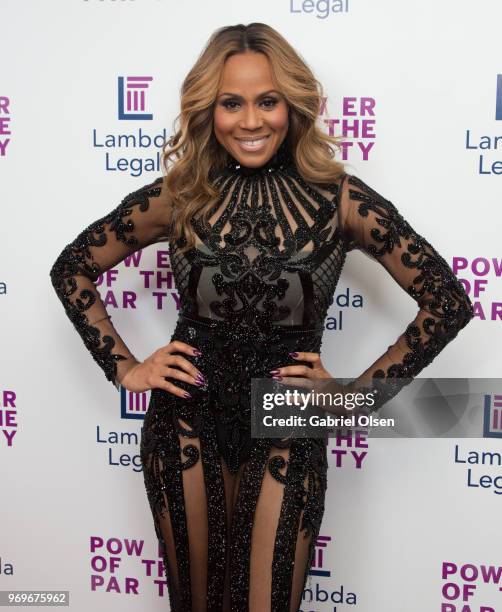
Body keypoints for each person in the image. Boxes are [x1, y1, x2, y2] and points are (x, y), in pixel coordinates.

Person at [49, 22, 475, 612]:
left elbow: (447, 302)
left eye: (267, 101)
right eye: (232, 103)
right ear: (210, 109)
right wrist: (125, 367)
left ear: (292, 104)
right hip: (186, 413)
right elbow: (71, 267)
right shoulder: (183, 194)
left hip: (286, 416)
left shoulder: (340, 200)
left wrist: (351, 397)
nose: (251, 121)